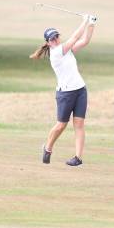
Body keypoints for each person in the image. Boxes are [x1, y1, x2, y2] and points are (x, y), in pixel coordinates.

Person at [29, 14, 96, 166]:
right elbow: (74, 37)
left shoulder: (67, 50)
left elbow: (84, 40)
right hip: (65, 94)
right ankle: (47, 148)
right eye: (52, 39)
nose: (55, 39)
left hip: (80, 90)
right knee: (61, 125)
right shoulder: (56, 53)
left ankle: (78, 158)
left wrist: (91, 24)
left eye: (56, 37)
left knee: (79, 124)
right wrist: (84, 20)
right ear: (48, 43)